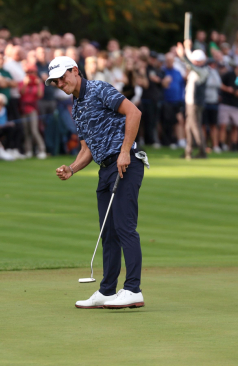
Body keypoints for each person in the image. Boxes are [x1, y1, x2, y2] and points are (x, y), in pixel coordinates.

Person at [49, 56, 147, 309]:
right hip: (105, 168)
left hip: (125, 164)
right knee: (108, 232)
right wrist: (72, 169)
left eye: (63, 77)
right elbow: (86, 148)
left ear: (75, 71)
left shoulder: (99, 89)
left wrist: (125, 151)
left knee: (125, 227)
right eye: (55, 81)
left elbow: (134, 112)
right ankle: (106, 290)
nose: (60, 83)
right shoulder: (76, 107)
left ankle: (133, 289)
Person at [176, 40, 208, 159]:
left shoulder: (202, 70)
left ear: (199, 61)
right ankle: (188, 150)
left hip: (194, 103)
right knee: (189, 126)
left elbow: (190, 64)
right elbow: (191, 62)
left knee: (195, 126)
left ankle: (202, 151)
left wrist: (182, 55)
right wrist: (187, 48)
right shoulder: (200, 67)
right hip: (191, 102)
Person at [219, 61, 238, 151]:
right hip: (226, 103)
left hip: (237, 105)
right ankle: (221, 144)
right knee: (223, 125)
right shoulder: (229, 74)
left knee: (236, 126)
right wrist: (227, 89)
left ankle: (234, 145)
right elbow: (220, 84)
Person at [19, 63, 46, 159]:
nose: (30, 74)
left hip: (33, 108)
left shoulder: (38, 82)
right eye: (28, 72)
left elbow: (39, 95)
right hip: (23, 108)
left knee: (34, 130)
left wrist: (38, 84)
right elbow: (21, 93)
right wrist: (26, 84)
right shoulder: (23, 82)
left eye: (32, 72)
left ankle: (42, 150)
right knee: (26, 131)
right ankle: (28, 150)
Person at [160, 53, 185, 148]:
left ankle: (179, 140)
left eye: (171, 61)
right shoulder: (163, 71)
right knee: (168, 122)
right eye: (167, 61)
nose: (169, 62)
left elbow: (181, 86)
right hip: (166, 101)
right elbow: (162, 85)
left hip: (177, 101)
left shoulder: (178, 72)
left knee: (178, 121)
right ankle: (168, 141)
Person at [203, 58, 222, 152]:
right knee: (203, 125)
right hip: (205, 101)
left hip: (213, 102)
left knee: (213, 125)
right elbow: (207, 83)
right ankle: (203, 145)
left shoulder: (215, 72)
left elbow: (218, 84)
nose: (212, 66)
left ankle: (215, 145)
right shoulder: (204, 71)